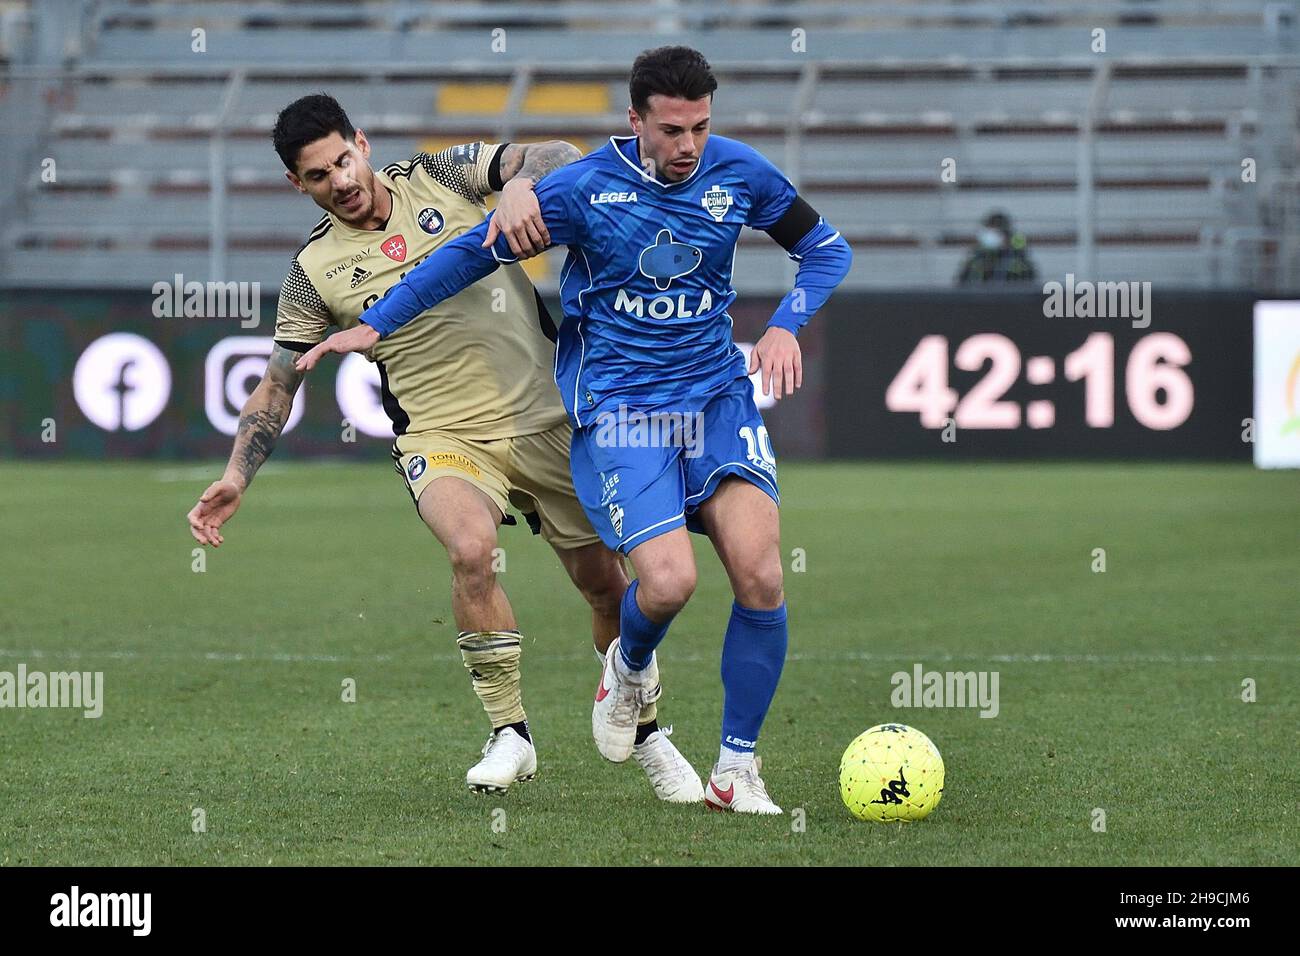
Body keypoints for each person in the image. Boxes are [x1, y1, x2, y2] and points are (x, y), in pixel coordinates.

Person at [295, 47, 853, 815]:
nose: (687, 145)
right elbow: (468, 253)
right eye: (670, 130)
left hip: (717, 398)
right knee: (667, 585)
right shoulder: (587, 189)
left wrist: (788, 324)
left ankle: (737, 769)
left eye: (699, 126)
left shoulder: (741, 173)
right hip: (621, 408)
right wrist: (379, 321)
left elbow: (825, 249)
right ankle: (627, 668)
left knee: (760, 577)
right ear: (636, 122)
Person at [186, 93, 701, 802]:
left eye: (342, 158)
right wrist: (237, 475)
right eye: (317, 175)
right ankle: (509, 733)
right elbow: (278, 386)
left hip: (549, 418)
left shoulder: (442, 175)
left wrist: (518, 182)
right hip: (444, 436)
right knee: (468, 549)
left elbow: (562, 157)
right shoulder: (315, 270)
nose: (338, 180)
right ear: (296, 185)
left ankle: (645, 734)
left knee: (604, 586)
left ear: (361, 143)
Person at [956, 210, 1037, 283]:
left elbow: (1027, 287)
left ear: (1005, 235)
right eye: (988, 231)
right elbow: (961, 285)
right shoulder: (975, 260)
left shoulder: (1019, 263)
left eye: (994, 232)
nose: (989, 237)